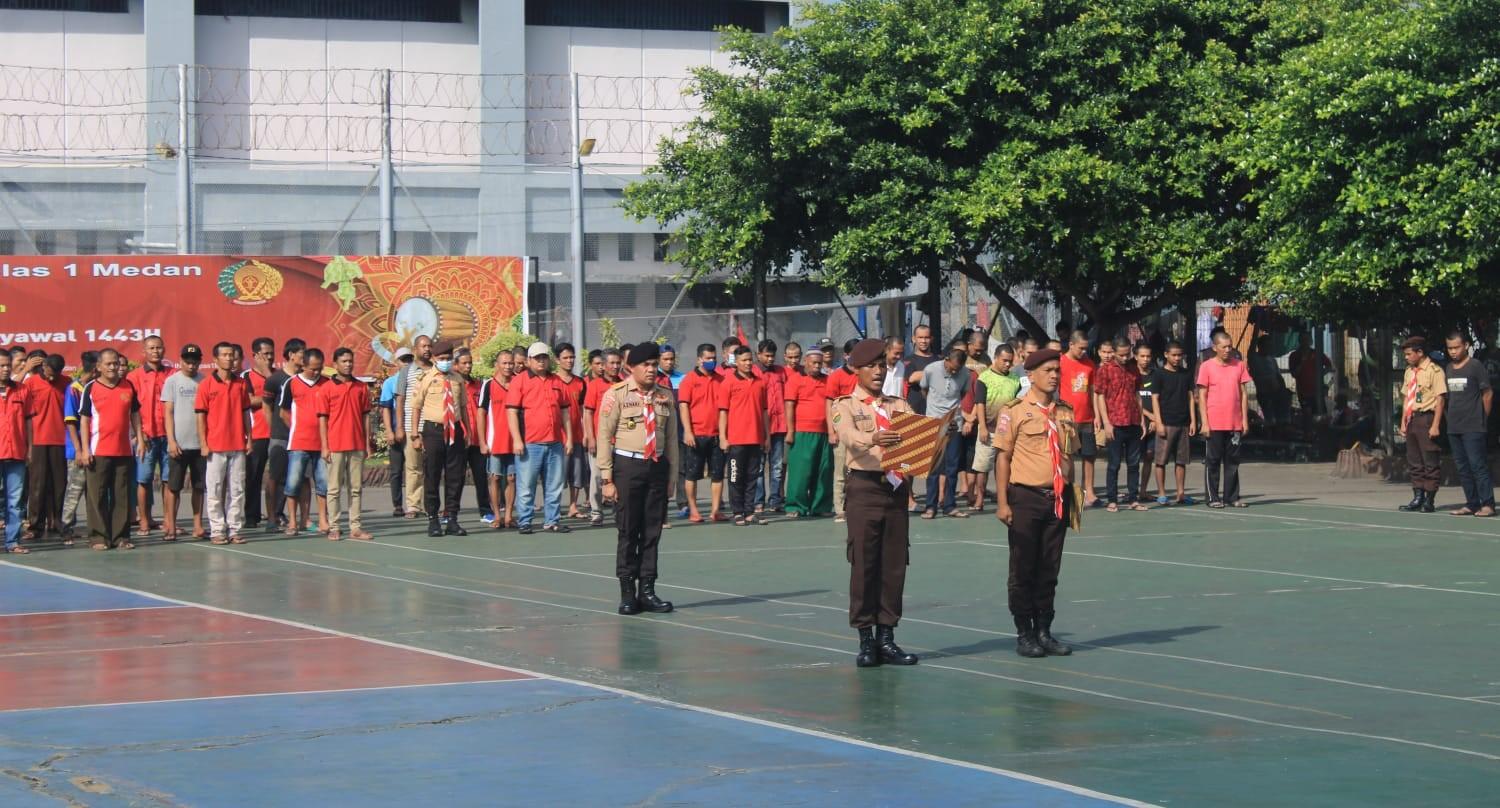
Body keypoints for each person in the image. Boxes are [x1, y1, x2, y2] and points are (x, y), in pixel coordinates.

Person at [831, 338, 919, 668]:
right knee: (865, 564)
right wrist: (874, 437)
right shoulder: (844, 405)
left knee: (894, 565)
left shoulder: (899, 405)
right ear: (857, 369)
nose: (879, 371)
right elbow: (848, 437)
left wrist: (934, 440)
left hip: (895, 489)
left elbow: (915, 438)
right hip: (865, 489)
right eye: (872, 366)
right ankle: (865, 639)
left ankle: (887, 636)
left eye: (883, 365)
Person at [994, 347, 1077, 658]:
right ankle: (1024, 632)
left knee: (1049, 568)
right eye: (1048, 370)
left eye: (1058, 370)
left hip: (1057, 498)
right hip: (1025, 497)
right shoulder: (1014, 410)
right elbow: (1003, 458)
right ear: (1030, 375)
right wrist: (1003, 502)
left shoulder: (1065, 411)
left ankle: (1044, 629)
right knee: (1023, 567)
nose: (1055, 375)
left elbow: (1069, 456)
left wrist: (1073, 498)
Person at [597, 342, 680, 615]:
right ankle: (627, 593)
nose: (651, 369)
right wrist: (606, 479)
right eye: (646, 364)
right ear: (630, 367)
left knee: (652, 532)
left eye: (654, 365)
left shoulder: (665, 396)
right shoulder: (616, 395)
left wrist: (671, 478)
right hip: (627, 467)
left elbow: (671, 441)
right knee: (628, 531)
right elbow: (603, 438)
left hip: (656, 467)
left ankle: (648, 590)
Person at [507, 342, 575, 535]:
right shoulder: (519, 381)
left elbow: (565, 413)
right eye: (537, 358)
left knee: (554, 486)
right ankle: (525, 521)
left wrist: (569, 438)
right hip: (530, 443)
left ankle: (552, 521)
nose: (541, 361)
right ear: (529, 360)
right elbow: (511, 412)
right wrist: (517, 440)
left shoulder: (556, 381)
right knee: (526, 485)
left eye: (544, 357)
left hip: (554, 443)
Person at [79, 349, 142, 551]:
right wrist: (84, 450)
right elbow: (84, 420)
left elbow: (135, 415)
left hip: (123, 450)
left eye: (116, 363)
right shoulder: (91, 388)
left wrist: (140, 438)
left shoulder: (128, 386)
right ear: (99, 367)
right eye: (109, 364)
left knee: (121, 495)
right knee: (96, 496)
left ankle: (121, 537)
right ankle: (98, 537)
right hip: (98, 451)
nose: (113, 367)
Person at [409, 341, 471, 537]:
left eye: (448, 358)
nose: (445, 362)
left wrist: (468, 431)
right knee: (432, 475)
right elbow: (416, 407)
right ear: (434, 359)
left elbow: (463, 408)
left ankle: (452, 518)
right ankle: (433, 519)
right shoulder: (426, 378)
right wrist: (414, 434)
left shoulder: (457, 379)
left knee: (455, 476)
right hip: (433, 431)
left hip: (455, 431)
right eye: (441, 359)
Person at [195, 342, 253, 544]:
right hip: (215, 446)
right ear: (215, 359)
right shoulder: (206, 385)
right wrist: (203, 442)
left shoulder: (241, 384)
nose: (229, 358)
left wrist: (249, 438)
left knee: (237, 489)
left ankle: (235, 529)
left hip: (237, 443)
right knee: (215, 489)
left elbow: (246, 413)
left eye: (232, 355)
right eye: (225, 355)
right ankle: (218, 530)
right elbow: (200, 416)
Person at [318, 346, 373, 541]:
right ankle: (334, 526)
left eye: (350, 361)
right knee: (333, 489)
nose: (348, 364)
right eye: (344, 361)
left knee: (356, 488)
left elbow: (366, 416)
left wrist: (367, 443)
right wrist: (324, 446)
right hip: (335, 445)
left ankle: (355, 527)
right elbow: (322, 419)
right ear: (335, 364)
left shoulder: (361, 387)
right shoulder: (326, 388)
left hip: (357, 444)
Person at [1197, 331, 1252, 508]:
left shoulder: (1240, 365)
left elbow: (1244, 394)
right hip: (1214, 423)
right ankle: (1213, 498)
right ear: (1215, 348)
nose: (1228, 350)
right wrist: (1204, 422)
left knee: (1233, 461)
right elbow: (1202, 395)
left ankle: (1232, 497)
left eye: (1230, 346)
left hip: (1234, 423)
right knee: (1212, 461)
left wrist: (1244, 420)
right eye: (1224, 347)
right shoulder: (1206, 366)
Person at [278, 347, 330, 535]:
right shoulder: (291, 383)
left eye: (319, 368)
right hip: (298, 442)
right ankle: (293, 522)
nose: (316, 372)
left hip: (322, 443)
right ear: (303, 365)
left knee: (323, 483)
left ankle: (323, 520)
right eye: (313, 369)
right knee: (293, 482)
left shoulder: (327, 383)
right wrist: (297, 427)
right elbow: (283, 411)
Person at [718, 345, 769, 526]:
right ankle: (737, 512)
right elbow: (723, 412)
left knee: (752, 476)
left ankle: (749, 512)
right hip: (736, 440)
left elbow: (764, 411)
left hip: (755, 439)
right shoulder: (728, 383)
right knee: (735, 477)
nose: (748, 363)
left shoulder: (760, 382)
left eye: (749, 360)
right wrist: (723, 438)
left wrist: (767, 436)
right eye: (743, 360)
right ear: (736, 362)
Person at [1442, 331, 1493, 517]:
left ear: (1466, 346)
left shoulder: (1475, 366)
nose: (1453, 351)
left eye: (1456, 347)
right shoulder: (1448, 368)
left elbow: (1487, 394)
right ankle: (1471, 503)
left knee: (1477, 466)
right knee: (1462, 468)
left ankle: (1487, 504)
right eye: (1450, 348)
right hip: (1454, 427)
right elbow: (1447, 398)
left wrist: (1482, 418)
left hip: (1473, 427)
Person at [1094, 338, 1147, 512]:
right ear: (1114, 352)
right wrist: (1106, 423)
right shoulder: (1105, 370)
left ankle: (1133, 499)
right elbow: (1100, 396)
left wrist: (1142, 420)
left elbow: (1137, 394)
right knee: (1114, 464)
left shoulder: (1133, 369)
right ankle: (1112, 499)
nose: (1125, 358)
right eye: (1121, 355)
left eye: (1127, 354)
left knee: (1134, 463)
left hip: (1133, 421)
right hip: (1115, 423)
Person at [919, 346, 973, 519]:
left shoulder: (966, 373)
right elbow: (924, 390)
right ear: (946, 360)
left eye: (958, 368)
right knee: (933, 467)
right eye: (952, 367)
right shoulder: (931, 370)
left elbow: (963, 393)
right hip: (934, 423)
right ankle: (930, 506)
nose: (955, 371)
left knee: (952, 466)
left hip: (953, 424)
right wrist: (935, 409)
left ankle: (949, 505)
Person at [161, 344, 206, 541]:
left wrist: (206, 441)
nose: (191, 365)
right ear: (181, 361)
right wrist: (171, 440)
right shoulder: (172, 381)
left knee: (198, 486)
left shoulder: (204, 382)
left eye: (194, 361)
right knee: (174, 487)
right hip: (178, 444)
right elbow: (168, 413)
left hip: (199, 444)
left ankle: (198, 526)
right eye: (187, 361)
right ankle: (170, 525)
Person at [127, 335, 170, 536]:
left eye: (159, 348)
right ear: (144, 352)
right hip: (146, 437)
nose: (156, 351)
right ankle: (144, 520)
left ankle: (169, 520)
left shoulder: (172, 374)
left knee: (169, 480)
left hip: (168, 436)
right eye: (151, 348)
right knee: (143, 480)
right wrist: (138, 435)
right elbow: (129, 410)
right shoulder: (133, 377)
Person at [677, 344, 725, 523]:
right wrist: (688, 432)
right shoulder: (688, 380)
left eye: (714, 358)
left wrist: (723, 434)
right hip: (695, 436)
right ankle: (694, 511)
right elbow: (683, 407)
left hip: (716, 436)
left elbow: (724, 409)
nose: (712, 361)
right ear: (699, 359)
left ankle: (715, 511)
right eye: (708, 358)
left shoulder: (721, 379)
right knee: (692, 475)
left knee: (718, 475)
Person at [23, 353, 69, 541]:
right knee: (37, 486)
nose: (52, 377)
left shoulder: (67, 382)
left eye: (55, 374)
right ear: (44, 366)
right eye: (49, 372)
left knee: (59, 484)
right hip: (38, 440)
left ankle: (57, 522)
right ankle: (35, 526)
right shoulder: (30, 383)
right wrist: (29, 445)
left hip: (60, 440)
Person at [784, 346, 834, 518]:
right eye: (813, 363)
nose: (817, 366)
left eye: (819, 363)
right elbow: (789, 406)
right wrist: (790, 431)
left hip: (825, 433)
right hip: (802, 432)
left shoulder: (828, 380)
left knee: (824, 471)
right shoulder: (795, 380)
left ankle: (820, 506)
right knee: (800, 472)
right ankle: (795, 506)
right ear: (805, 362)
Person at [1398, 336, 1445, 513]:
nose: (1407, 357)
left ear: (1420, 352)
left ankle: (1430, 498)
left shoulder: (1435, 371)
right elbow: (1406, 397)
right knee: (1414, 460)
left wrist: (1435, 425)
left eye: (1410, 354)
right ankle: (1418, 496)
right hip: (1412, 418)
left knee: (1430, 459)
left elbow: (1440, 399)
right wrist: (1403, 421)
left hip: (1427, 417)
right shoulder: (1409, 371)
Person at [1149, 341, 1198, 506]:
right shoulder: (1159, 374)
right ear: (1166, 355)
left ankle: (1181, 493)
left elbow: (1191, 397)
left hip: (1183, 422)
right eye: (1174, 355)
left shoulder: (1186, 374)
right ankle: (1162, 493)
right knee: (1161, 461)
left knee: (1181, 461)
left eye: (1179, 355)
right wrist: (1159, 422)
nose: (1177, 358)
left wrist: (1193, 420)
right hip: (1166, 422)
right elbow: (1155, 399)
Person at [262, 339, 304, 532]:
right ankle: (271, 517)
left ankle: (298, 518)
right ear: (291, 355)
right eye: (302, 354)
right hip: (280, 435)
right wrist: (275, 430)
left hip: (301, 436)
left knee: (300, 478)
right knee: (275, 476)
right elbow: (267, 407)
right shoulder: (275, 379)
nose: (304, 358)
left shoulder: (305, 378)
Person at [972, 344, 1020, 512]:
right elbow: (979, 404)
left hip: (1008, 431)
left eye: (1010, 361)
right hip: (989, 429)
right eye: (1004, 361)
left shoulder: (1015, 379)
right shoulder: (984, 378)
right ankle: (979, 497)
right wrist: (983, 427)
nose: (1007, 364)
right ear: (996, 358)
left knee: (1005, 465)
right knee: (982, 467)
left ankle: (1005, 497)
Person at [60, 351, 99, 542]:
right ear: (94, 369)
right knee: (74, 489)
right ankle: (66, 527)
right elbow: (70, 422)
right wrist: (78, 449)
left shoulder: (97, 387)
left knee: (94, 491)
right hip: (77, 450)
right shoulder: (74, 389)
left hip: (97, 447)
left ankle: (96, 527)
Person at [478, 348, 518, 529]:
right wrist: (482, 441)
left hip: (514, 440)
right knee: (494, 478)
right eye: (505, 363)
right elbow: (481, 414)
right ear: (497, 364)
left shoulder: (519, 383)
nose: (508, 366)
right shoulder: (488, 385)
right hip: (495, 441)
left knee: (511, 478)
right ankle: (496, 516)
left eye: (511, 363)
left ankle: (509, 515)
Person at [394, 335, 434, 518]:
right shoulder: (406, 372)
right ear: (415, 349)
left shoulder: (436, 370)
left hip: (433, 426)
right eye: (423, 346)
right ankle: (413, 505)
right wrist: (400, 427)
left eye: (429, 346)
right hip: (412, 426)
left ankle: (430, 504)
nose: (427, 349)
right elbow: (400, 399)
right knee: (413, 467)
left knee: (432, 468)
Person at [582, 347, 622, 526]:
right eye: (612, 363)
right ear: (604, 366)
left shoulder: (624, 384)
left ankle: (618, 510)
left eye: (618, 363)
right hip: (600, 441)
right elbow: (588, 413)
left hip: (621, 441)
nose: (615, 366)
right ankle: (596, 511)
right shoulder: (594, 385)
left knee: (620, 478)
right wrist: (591, 437)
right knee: (597, 477)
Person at [1059, 332, 1099, 507]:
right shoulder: (1060, 363)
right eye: (1080, 348)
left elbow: (1092, 391)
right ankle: (1071, 491)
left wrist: (1096, 415)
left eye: (1085, 348)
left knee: (1089, 456)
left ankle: (1088, 491)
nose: (1083, 351)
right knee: (1067, 456)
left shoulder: (1090, 364)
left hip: (1087, 417)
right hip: (1067, 418)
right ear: (1071, 344)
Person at [453, 349, 492, 526]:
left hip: (477, 439)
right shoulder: (451, 384)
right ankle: (450, 512)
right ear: (456, 365)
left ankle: (486, 510)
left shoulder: (479, 385)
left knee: (481, 478)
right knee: (456, 478)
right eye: (464, 363)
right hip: (459, 439)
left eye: (470, 362)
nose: (468, 366)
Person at [825, 338, 862, 522]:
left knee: (857, 470)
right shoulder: (836, 376)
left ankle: (855, 505)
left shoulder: (864, 374)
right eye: (853, 355)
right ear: (846, 355)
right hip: (841, 431)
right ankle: (839, 508)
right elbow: (829, 403)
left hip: (860, 432)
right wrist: (831, 430)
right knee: (840, 471)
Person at [553, 343, 590, 521]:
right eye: (565, 358)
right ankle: (554, 507)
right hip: (556, 438)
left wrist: (586, 433)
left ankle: (573, 506)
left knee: (577, 473)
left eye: (572, 357)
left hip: (576, 435)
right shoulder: (552, 382)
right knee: (556, 475)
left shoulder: (580, 382)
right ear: (557, 360)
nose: (570, 361)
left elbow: (584, 411)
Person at [0, 352, 32, 553]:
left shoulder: (22, 390)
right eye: (1, 365)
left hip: (17, 453)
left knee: (16, 501)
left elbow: (29, 421)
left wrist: (30, 448)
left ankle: (13, 541)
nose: (4, 369)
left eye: (6, 365)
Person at [243, 338, 275, 529]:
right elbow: (247, 401)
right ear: (255, 355)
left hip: (277, 433)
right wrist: (267, 398)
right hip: (257, 433)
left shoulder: (276, 376)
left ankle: (276, 514)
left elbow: (279, 397)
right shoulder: (246, 377)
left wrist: (267, 375)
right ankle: (251, 515)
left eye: (271, 353)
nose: (269, 357)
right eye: (265, 354)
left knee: (277, 476)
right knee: (253, 476)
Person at [378, 347, 414, 517]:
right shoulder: (390, 383)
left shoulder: (416, 380)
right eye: (403, 360)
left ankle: (415, 504)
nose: (406, 363)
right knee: (396, 470)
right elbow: (385, 408)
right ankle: (398, 504)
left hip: (413, 429)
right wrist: (389, 432)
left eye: (409, 359)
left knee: (415, 468)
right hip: (397, 429)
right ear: (397, 362)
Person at [755, 339, 788, 514]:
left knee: (776, 466)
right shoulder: (753, 373)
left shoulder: (781, 372)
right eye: (766, 355)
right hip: (760, 428)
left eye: (772, 356)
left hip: (779, 426)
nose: (769, 359)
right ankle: (758, 501)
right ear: (758, 354)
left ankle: (775, 500)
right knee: (759, 466)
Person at [904, 325, 938, 415]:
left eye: (926, 337)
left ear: (931, 339)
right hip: (914, 411)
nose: (923, 341)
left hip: (935, 411)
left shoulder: (939, 360)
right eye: (920, 337)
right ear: (914, 339)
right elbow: (912, 378)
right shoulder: (907, 361)